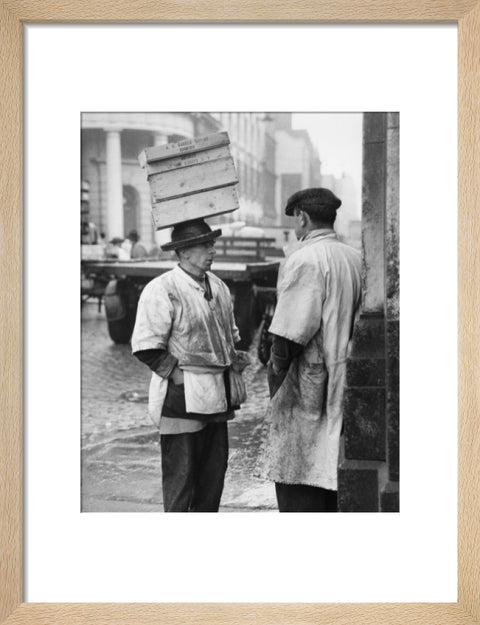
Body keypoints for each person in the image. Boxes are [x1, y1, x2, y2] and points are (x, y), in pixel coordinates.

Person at [131, 219, 249, 512]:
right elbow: (146, 346)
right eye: (204, 244)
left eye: (212, 243)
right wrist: (178, 376)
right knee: (182, 480)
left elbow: (230, 335)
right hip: (180, 401)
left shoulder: (219, 287)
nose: (212, 250)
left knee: (212, 479)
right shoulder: (163, 289)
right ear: (183, 252)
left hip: (217, 399)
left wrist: (235, 357)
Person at [259, 188, 362, 512]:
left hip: (310, 383)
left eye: (295, 221)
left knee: (300, 473)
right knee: (331, 468)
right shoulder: (354, 257)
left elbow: (289, 333)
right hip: (345, 375)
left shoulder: (304, 258)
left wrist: (275, 376)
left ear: (302, 218)